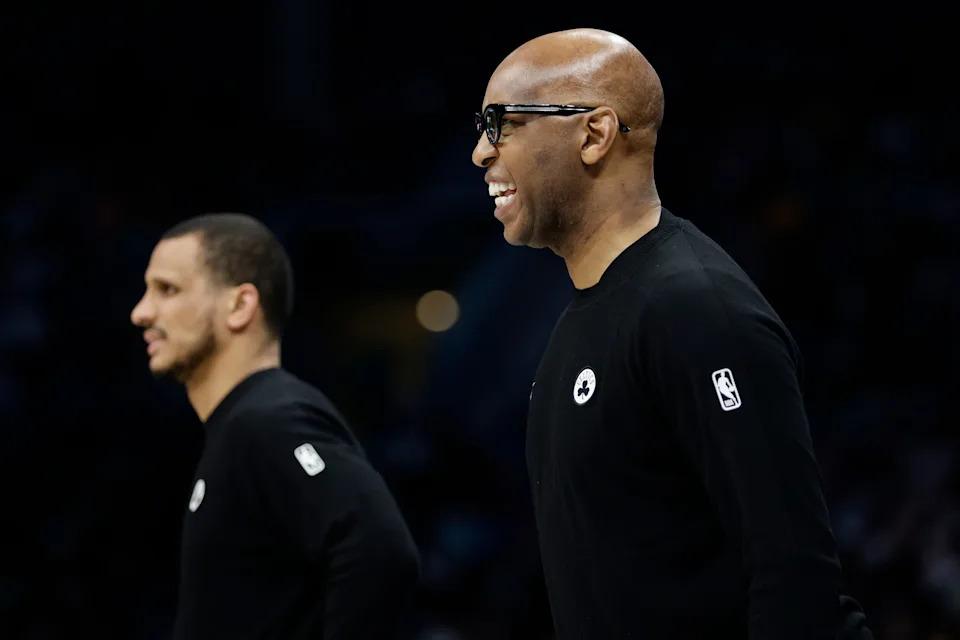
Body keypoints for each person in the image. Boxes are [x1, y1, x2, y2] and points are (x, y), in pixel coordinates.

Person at [471, 28, 872, 639]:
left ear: (594, 134)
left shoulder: (695, 308)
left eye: (503, 123)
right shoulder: (587, 316)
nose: (481, 151)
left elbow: (798, 589)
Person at [130, 213, 420, 639]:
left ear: (240, 305)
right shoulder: (242, 428)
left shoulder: (269, 420)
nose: (140, 312)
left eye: (167, 290)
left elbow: (380, 551)